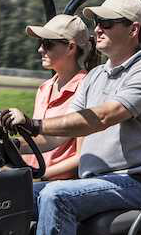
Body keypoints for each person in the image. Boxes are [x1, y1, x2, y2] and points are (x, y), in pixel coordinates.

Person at [1, 0, 141, 235]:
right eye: (96, 22)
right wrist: (15, 143)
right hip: (98, 182)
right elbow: (58, 135)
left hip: (134, 181)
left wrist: (34, 123)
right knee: (12, 192)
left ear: (133, 30)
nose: (98, 29)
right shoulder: (95, 76)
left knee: (56, 195)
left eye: (106, 22)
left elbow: (103, 117)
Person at [19, 14, 97, 180]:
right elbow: (39, 140)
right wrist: (12, 146)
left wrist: (39, 175)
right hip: (33, 177)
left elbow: (81, 156)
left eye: (47, 44)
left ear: (70, 48)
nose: (40, 49)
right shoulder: (44, 88)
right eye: (40, 43)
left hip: (57, 184)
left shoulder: (87, 88)